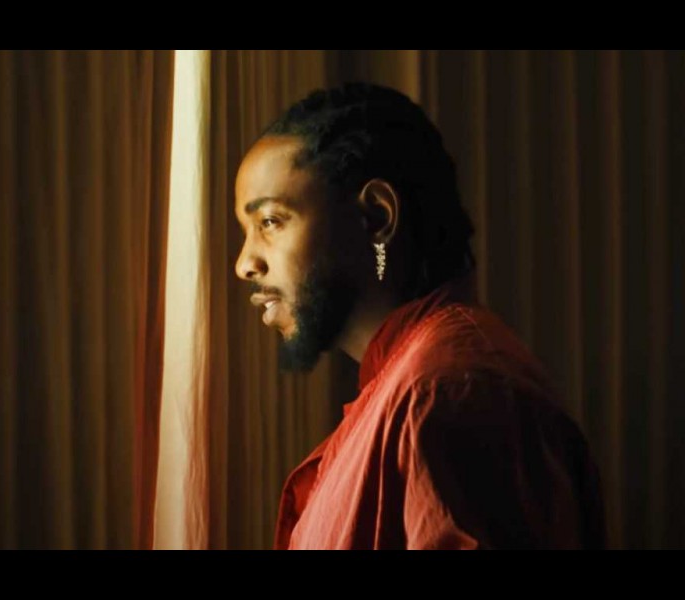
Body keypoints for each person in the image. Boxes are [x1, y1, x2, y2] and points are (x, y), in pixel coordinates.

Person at [233, 82, 606, 550]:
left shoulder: (448, 393)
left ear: (376, 216)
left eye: (270, 222)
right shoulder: (412, 388)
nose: (244, 263)